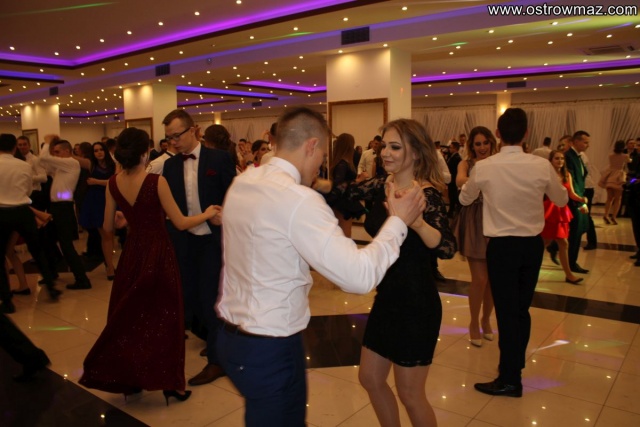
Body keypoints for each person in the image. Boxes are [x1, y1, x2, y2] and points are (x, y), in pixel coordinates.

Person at [216, 107, 426, 426]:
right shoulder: (297, 199)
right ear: (311, 146)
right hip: (269, 346)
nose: (319, 167)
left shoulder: (243, 182)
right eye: (321, 157)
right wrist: (398, 222)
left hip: (231, 338)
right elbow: (358, 276)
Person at [79, 127, 220, 403]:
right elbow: (181, 222)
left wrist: (127, 218)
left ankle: (132, 379)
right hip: (158, 253)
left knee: (132, 318)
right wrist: (207, 213)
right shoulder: (156, 181)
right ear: (145, 152)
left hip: (132, 254)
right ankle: (171, 384)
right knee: (165, 319)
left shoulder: (112, 183)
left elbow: (107, 226)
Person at [346, 119, 455, 427]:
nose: (385, 153)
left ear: (416, 152)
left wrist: (417, 222)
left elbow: (447, 247)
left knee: (410, 393)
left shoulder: (426, 195)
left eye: (395, 147)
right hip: (387, 299)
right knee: (369, 378)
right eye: (385, 146)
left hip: (416, 305)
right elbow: (344, 193)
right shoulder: (383, 184)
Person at [460, 108, 567, 398]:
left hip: (502, 246)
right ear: (526, 133)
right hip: (531, 245)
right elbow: (561, 199)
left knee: (507, 311)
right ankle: (513, 368)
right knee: (520, 309)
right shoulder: (541, 165)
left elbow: (465, 198)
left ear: (497, 134)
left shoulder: (485, 167)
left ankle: (510, 378)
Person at [162, 109, 235, 387]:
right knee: (191, 299)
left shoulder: (219, 158)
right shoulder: (170, 166)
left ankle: (218, 360)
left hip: (212, 241)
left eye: (176, 136)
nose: (173, 142)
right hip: (184, 240)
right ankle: (217, 339)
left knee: (209, 298)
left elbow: (234, 196)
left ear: (194, 130)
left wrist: (224, 214)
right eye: (169, 138)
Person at [0, 134, 61, 313]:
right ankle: (51, 288)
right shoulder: (24, 165)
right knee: (37, 250)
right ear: (14, 148)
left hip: (2, 212)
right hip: (22, 211)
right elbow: (28, 190)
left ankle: (7, 301)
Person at [454, 126, 498, 347]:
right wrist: (480, 178)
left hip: (496, 220)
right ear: (472, 145)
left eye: (485, 143)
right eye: (477, 143)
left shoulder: (498, 162)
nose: (482, 147)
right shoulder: (466, 164)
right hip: (474, 219)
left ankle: (486, 319)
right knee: (480, 278)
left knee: (492, 280)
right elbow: (460, 181)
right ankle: (473, 323)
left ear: (491, 143)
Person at [38, 137, 92, 290]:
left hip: (63, 208)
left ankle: (82, 279)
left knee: (66, 245)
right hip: (56, 208)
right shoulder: (62, 167)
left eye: (57, 152)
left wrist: (47, 142)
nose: (55, 155)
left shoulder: (70, 162)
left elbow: (43, 157)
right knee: (47, 240)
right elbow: (43, 163)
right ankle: (52, 273)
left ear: (67, 151)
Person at [542, 150, 588, 284]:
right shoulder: (546, 174)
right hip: (549, 210)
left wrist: (582, 199)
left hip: (561, 210)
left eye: (562, 158)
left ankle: (569, 274)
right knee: (545, 242)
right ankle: (568, 274)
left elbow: (571, 193)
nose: (560, 161)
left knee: (562, 243)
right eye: (557, 158)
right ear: (551, 160)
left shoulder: (567, 174)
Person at [76, 142, 117, 279]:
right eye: (95, 150)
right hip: (95, 201)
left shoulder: (114, 165)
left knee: (110, 234)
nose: (99, 152)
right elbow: (73, 158)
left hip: (109, 199)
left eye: (101, 150)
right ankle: (109, 267)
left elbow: (114, 182)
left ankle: (109, 264)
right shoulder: (90, 164)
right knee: (105, 234)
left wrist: (96, 181)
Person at [565, 131, 591, 274]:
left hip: (579, 197)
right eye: (585, 142)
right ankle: (571, 263)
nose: (587, 145)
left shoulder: (578, 156)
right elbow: (572, 181)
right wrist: (579, 199)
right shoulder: (569, 156)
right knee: (575, 232)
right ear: (576, 141)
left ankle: (557, 249)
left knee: (580, 229)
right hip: (574, 200)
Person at [327, 133, 357, 237]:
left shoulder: (344, 163)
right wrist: (357, 181)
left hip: (344, 202)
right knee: (345, 235)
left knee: (345, 233)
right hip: (342, 204)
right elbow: (339, 185)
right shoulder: (342, 165)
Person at [600, 140, 631, 225]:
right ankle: (614, 216)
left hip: (610, 176)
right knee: (618, 199)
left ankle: (606, 215)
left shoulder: (611, 156)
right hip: (618, 177)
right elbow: (629, 161)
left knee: (609, 198)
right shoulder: (625, 156)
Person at [447, 140, 462, 217]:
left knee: (453, 195)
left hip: (453, 179)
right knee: (451, 195)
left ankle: (453, 210)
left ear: (455, 148)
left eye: (451, 147)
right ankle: (451, 210)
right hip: (451, 179)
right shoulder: (452, 156)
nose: (449, 149)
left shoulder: (457, 158)